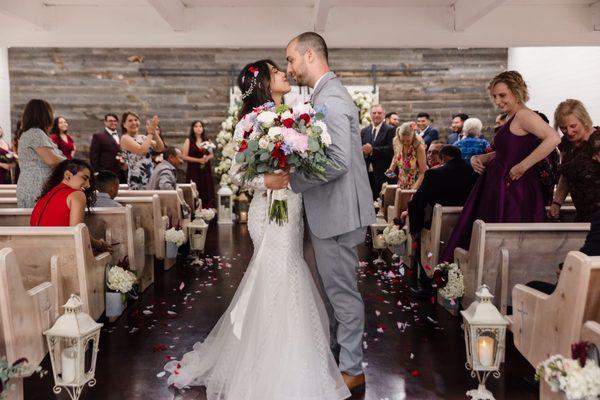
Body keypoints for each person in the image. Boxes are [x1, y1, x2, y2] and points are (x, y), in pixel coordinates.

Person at [165, 53, 357, 399]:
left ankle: (290, 352)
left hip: (292, 203)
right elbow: (238, 170)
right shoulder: (248, 122)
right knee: (275, 270)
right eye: (276, 71)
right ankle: (265, 358)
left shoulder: (299, 114)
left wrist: (297, 166)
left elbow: (308, 157)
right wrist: (264, 179)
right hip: (266, 207)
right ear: (264, 83)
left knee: (289, 267)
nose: (284, 73)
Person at [440, 71, 561, 262]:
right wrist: (480, 158)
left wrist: (523, 165)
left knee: (504, 243)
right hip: (499, 186)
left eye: (502, 95)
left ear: (516, 92)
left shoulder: (524, 115)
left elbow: (553, 138)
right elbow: (506, 152)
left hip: (514, 189)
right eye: (495, 96)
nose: (498, 101)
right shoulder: (512, 118)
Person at [30, 159, 111, 254]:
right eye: (85, 178)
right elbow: (77, 232)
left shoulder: (45, 195)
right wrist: (100, 245)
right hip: (59, 253)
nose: (88, 185)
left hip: (36, 252)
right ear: (68, 175)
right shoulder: (77, 195)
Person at [408, 145, 478, 236]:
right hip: (467, 227)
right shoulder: (474, 174)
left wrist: (415, 230)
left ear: (442, 158)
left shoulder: (433, 174)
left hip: (438, 225)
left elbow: (417, 202)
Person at [549, 99, 599, 222]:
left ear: (584, 120)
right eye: (563, 128)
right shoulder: (566, 144)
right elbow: (566, 176)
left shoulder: (597, 143)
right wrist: (557, 202)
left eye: (573, 126)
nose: (569, 132)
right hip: (582, 215)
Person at [16, 99, 66, 208]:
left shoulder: (32, 133)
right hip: (37, 185)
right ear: (45, 115)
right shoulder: (35, 133)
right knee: (41, 222)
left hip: (33, 183)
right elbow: (51, 160)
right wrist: (71, 162)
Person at [120, 111, 165, 190]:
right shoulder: (125, 138)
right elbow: (141, 151)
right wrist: (150, 133)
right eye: (130, 121)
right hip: (137, 179)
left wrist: (154, 131)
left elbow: (160, 148)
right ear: (124, 125)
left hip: (150, 177)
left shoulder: (143, 137)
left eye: (136, 120)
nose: (134, 122)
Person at [361, 104, 395, 199]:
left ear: (384, 115)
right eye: (374, 113)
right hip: (367, 172)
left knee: (382, 200)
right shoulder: (364, 131)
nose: (376, 115)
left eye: (379, 113)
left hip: (383, 172)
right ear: (370, 115)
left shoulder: (390, 130)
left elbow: (391, 149)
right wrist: (363, 151)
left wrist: (373, 150)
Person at [182, 120, 216, 208]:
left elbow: (211, 155)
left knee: (206, 190)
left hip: (205, 171)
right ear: (193, 129)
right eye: (196, 126)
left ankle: (209, 213)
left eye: (200, 126)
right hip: (194, 170)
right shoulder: (189, 141)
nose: (198, 128)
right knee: (195, 191)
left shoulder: (207, 140)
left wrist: (206, 158)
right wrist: (198, 160)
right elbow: (184, 156)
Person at [386, 122, 427, 190]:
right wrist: (390, 172)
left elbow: (423, 173)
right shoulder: (398, 145)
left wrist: (411, 191)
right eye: (402, 140)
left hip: (416, 187)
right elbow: (394, 162)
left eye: (408, 141)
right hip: (401, 186)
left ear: (413, 136)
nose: (405, 143)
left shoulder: (419, 148)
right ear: (399, 137)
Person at [89, 113, 127, 183]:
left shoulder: (122, 136)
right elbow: (93, 156)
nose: (113, 123)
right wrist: (96, 172)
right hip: (106, 173)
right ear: (105, 122)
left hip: (121, 173)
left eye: (115, 121)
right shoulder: (98, 136)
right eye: (110, 121)